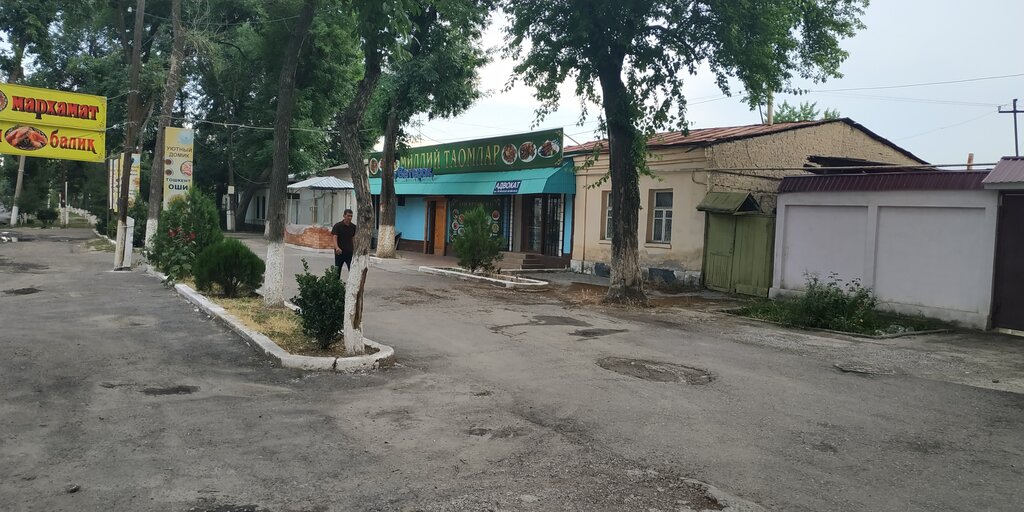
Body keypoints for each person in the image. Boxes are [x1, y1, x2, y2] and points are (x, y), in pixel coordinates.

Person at [331, 209, 357, 277]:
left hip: (350, 252)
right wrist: (337, 247)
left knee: (352, 270)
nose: (350, 218)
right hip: (340, 252)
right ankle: (336, 283)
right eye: (348, 216)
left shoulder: (353, 227)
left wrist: (355, 249)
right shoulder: (337, 226)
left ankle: (351, 283)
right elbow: (334, 237)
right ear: (344, 216)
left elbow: (354, 239)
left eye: (351, 216)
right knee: (337, 271)